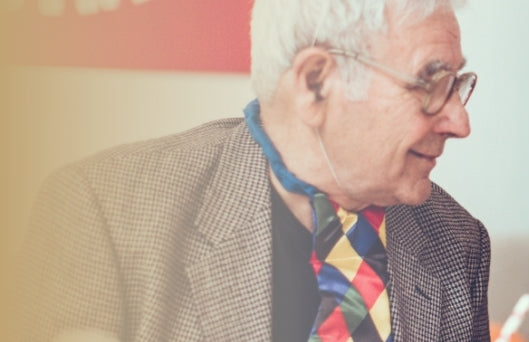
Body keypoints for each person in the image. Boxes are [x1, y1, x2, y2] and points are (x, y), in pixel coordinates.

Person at [15, 0, 489, 341]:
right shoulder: (102, 212)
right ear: (316, 83)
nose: (459, 122)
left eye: (456, 84)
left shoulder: (457, 242)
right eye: (430, 83)